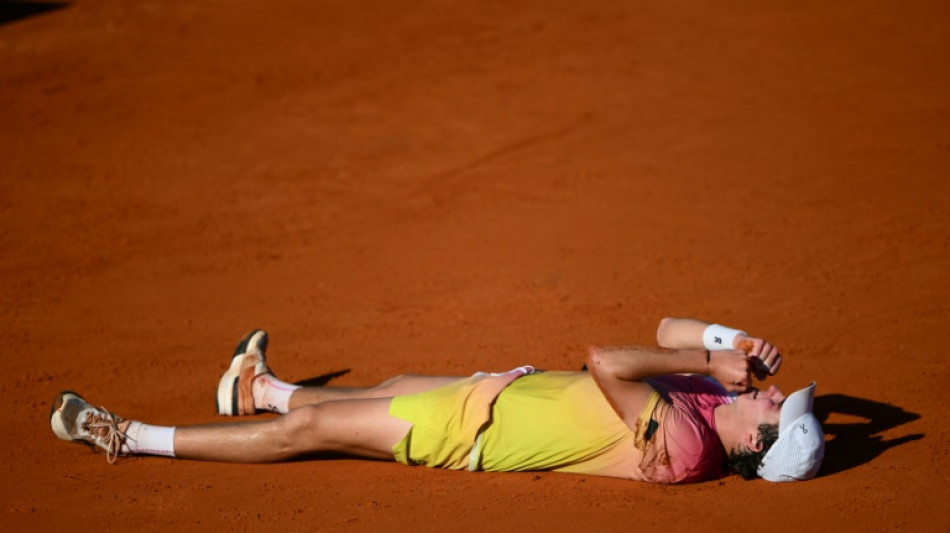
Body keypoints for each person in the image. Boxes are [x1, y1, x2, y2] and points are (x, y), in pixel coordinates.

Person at [49, 317, 825, 483]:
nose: (778, 397)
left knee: (312, 430)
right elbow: (667, 326)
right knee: (381, 388)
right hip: (495, 393)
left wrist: (702, 361)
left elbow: (605, 359)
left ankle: (126, 436)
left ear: (757, 446)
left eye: (777, 415)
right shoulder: (713, 392)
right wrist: (733, 343)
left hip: (467, 433)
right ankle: (257, 389)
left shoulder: (690, 444)